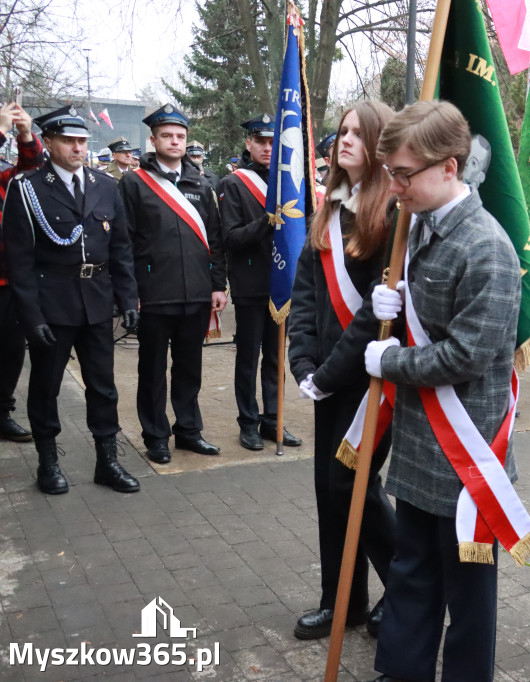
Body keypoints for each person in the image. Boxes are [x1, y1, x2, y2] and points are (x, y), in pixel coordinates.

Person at [365, 100, 526, 682]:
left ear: (449, 168)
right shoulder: (418, 223)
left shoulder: (487, 247)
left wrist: (390, 358)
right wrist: (393, 306)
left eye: (404, 174)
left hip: (467, 461)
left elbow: (466, 355)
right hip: (417, 447)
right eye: (391, 173)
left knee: (468, 601)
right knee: (411, 575)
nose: (395, 186)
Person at [288, 100, 397, 641]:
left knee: (350, 483)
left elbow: (372, 313)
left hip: (371, 378)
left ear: (379, 144)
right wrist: (302, 362)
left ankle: (407, 585)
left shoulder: (392, 214)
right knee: (326, 490)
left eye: (358, 133)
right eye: (342, 132)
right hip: (328, 377)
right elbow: (305, 295)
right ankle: (343, 602)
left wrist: (328, 372)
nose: (344, 140)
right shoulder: (329, 207)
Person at [2, 105, 141, 494]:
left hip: (96, 300)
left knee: (103, 386)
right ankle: (48, 463)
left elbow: (121, 250)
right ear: (48, 143)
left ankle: (108, 462)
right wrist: (31, 315)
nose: (78, 147)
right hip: (52, 302)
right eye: (68, 140)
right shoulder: (27, 188)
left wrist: (128, 299)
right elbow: (20, 260)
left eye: (82, 140)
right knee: (46, 386)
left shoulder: (105, 185)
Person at [119, 103, 226, 463]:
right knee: (151, 370)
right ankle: (155, 436)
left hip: (195, 293)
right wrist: (129, 293)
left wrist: (217, 285)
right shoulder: (134, 183)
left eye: (180, 136)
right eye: (167, 135)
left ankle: (189, 431)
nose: (175, 141)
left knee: (189, 368)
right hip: (154, 295)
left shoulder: (200, 182)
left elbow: (216, 240)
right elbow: (124, 242)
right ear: (153, 140)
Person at [219, 114, 301, 451]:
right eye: (261, 142)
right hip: (251, 283)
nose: (268, 148)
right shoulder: (233, 184)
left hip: (281, 283)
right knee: (249, 357)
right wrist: (267, 222)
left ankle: (273, 420)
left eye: (272, 142)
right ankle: (248, 422)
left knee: (275, 359)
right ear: (249, 144)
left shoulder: (288, 182)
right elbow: (232, 238)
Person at [0, 101, 45, 443]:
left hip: (7, 278)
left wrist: (25, 134)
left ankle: (2, 412)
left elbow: (30, 168)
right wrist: (1, 131)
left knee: (11, 350)